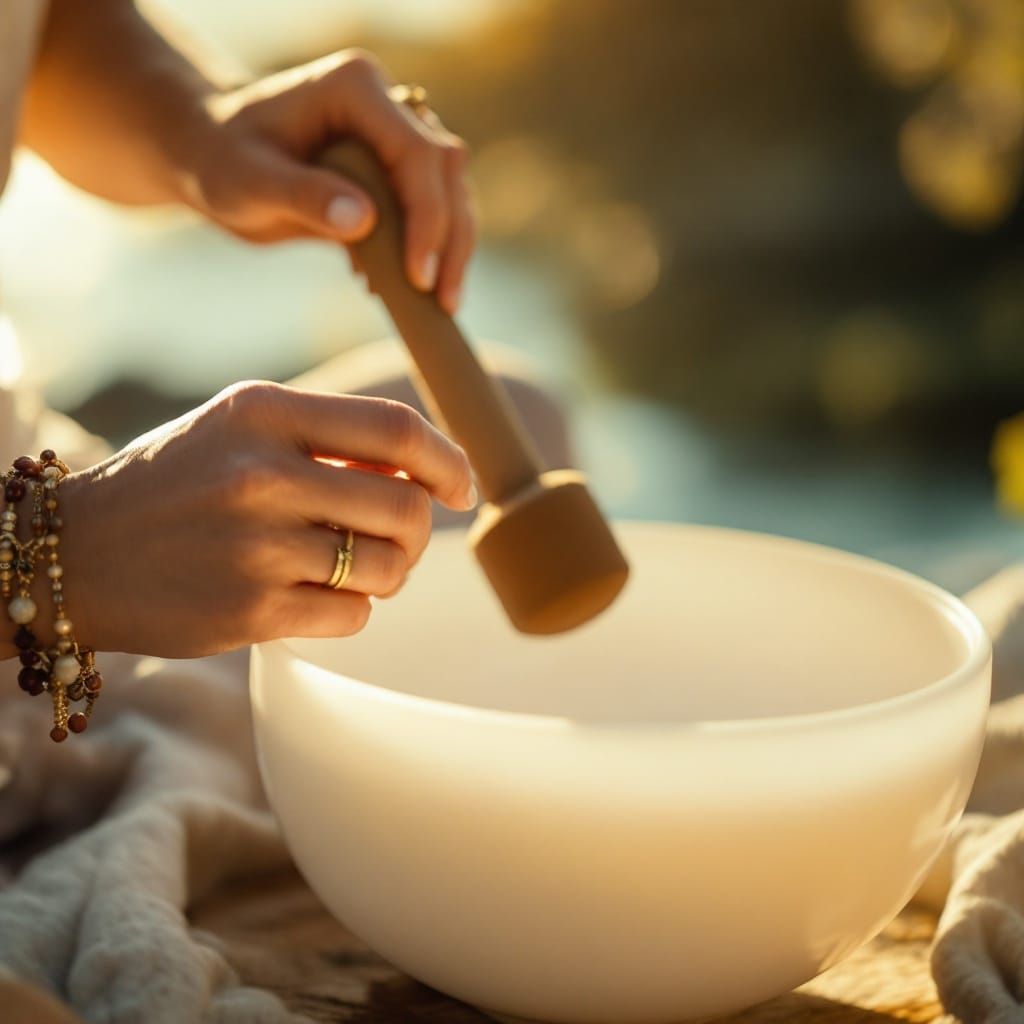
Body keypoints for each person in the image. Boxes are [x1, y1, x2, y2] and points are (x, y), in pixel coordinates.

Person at [0, 0, 482, 667]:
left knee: (520, 424)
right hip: (37, 582)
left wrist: (206, 126)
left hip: (30, 474)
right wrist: (64, 554)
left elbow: (43, 22)